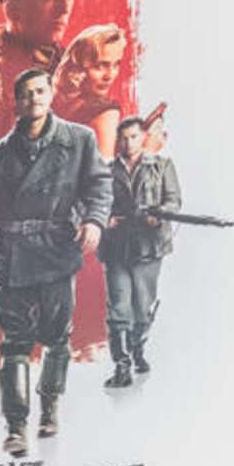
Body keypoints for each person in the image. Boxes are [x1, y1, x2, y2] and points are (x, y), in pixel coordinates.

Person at [0, 63, 110, 453]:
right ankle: (16, 425)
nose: (33, 98)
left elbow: (99, 186)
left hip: (55, 250)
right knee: (14, 344)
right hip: (11, 256)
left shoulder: (79, 140)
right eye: (26, 93)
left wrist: (94, 220)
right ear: (16, 102)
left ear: (50, 95)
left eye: (39, 91)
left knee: (56, 337)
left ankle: (49, 408)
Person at [101, 117, 184, 387]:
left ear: (142, 137)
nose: (128, 143)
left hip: (148, 246)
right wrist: (105, 220)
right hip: (116, 247)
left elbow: (173, 199)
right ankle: (122, 365)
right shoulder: (105, 170)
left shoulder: (161, 166)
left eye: (134, 137)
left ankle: (138, 350)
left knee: (142, 307)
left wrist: (159, 217)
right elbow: (92, 202)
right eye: (123, 138)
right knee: (118, 307)